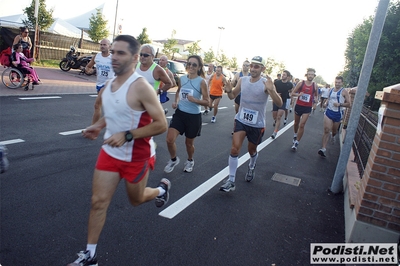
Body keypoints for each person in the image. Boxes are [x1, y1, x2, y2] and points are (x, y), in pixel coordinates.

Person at [67, 35, 170, 266]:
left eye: (120, 53)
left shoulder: (141, 87)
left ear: (134, 58)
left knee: (136, 200)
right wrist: (98, 125)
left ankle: (161, 191)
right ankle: (90, 255)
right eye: (113, 51)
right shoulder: (110, 83)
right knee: (98, 201)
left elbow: (161, 124)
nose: (114, 56)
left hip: (137, 154)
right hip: (110, 153)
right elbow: (117, 111)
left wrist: (127, 135)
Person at [219, 56, 282, 192]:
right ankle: (231, 180)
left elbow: (279, 103)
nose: (252, 68)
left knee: (251, 150)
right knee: (235, 149)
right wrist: (229, 90)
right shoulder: (243, 80)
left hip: (257, 124)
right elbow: (232, 96)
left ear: (263, 69)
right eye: (251, 66)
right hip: (241, 120)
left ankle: (252, 166)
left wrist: (271, 90)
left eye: (256, 66)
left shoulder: (266, 83)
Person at [164, 55, 209, 173]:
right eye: (189, 64)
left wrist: (195, 100)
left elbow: (207, 102)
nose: (191, 66)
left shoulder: (202, 82)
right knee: (169, 139)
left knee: (188, 144)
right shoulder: (182, 79)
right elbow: (179, 91)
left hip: (193, 117)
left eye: (194, 64)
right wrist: (176, 102)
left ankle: (190, 160)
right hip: (180, 114)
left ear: (199, 67)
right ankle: (173, 159)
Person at [318, 76, 351, 158]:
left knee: (334, 131)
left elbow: (349, 104)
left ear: (342, 83)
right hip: (329, 112)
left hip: (338, 113)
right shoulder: (331, 90)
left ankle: (333, 136)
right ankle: (323, 149)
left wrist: (340, 104)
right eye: (336, 82)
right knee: (326, 130)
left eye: (339, 82)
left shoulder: (344, 92)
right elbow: (329, 98)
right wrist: (326, 103)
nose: (337, 84)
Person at [84, 39, 115, 124]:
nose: (102, 46)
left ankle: (93, 128)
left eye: (104, 44)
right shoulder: (97, 56)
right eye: (101, 44)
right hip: (99, 84)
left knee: (97, 105)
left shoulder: (113, 58)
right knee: (104, 106)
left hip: (109, 84)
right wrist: (88, 70)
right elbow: (88, 67)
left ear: (110, 46)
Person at [136, 44, 173, 109]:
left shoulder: (157, 69)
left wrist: (159, 91)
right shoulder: (136, 65)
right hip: (137, 102)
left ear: (152, 56)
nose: (142, 57)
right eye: (141, 54)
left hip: (151, 104)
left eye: (146, 55)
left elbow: (169, 84)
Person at [290, 68, 319, 151]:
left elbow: (316, 96)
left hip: (307, 107)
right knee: (296, 123)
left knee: (302, 124)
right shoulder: (301, 83)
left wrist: (315, 102)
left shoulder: (315, 85)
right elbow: (292, 93)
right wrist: (299, 95)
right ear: (306, 75)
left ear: (314, 76)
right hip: (299, 105)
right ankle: (295, 134)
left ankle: (296, 143)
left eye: (312, 74)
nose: (310, 76)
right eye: (309, 74)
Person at [271, 70, 293, 139]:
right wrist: (276, 94)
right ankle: (275, 121)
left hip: (283, 102)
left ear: (288, 76)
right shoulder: (277, 82)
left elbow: (292, 92)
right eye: (282, 74)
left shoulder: (290, 84)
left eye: (284, 75)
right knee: (275, 116)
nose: (283, 76)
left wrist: (290, 96)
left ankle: (275, 132)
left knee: (279, 117)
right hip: (276, 101)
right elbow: (272, 90)